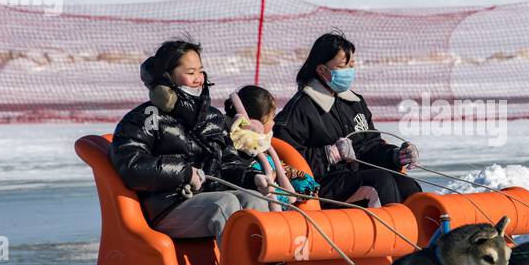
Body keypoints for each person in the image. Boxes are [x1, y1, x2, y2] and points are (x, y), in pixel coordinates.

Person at [111, 39, 268, 242]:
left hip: (208, 196)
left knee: (255, 200)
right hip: (167, 206)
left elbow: (228, 163)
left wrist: (251, 177)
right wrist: (184, 173)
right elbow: (132, 167)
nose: (198, 79)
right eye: (190, 73)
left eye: (200, 71)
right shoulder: (145, 118)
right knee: (225, 204)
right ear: (167, 77)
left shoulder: (212, 117)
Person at [273, 32, 421, 208]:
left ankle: (424, 231)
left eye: (352, 65)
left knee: (406, 184)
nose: (349, 71)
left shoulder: (355, 103)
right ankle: (396, 230)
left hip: (353, 177)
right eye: (343, 66)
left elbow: (370, 146)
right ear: (321, 70)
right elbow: (284, 159)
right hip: (324, 184)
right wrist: (329, 154)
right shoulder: (300, 109)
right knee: (380, 181)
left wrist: (395, 156)